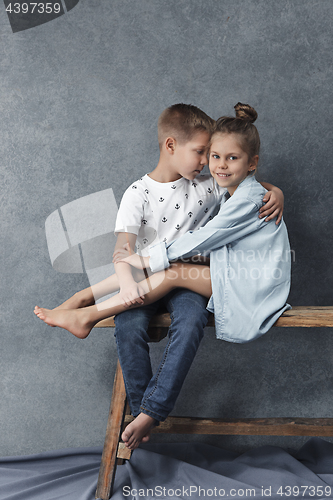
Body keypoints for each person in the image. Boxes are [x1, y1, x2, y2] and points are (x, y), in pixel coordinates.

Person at [34, 103, 287, 450]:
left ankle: (89, 311)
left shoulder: (207, 184)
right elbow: (123, 252)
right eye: (203, 153)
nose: (208, 163)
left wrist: (277, 192)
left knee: (190, 320)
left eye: (209, 155)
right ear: (171, 146)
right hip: (143, 279)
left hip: (191, 279)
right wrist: (126, 287)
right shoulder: (138, 193)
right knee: (128, 324)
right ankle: (143, 409)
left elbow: (246, 184)